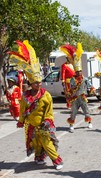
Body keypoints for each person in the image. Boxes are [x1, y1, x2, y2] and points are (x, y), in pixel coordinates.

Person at [9, 40, 63, 170]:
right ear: (31, 83)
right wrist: (21, 121)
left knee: (47, 142)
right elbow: (23, 110)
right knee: (36, 143)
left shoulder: (46, 95)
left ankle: (57, 161)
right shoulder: (25, 96)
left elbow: (49, 111)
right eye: (35, 83)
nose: (38, 84)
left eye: (39, 82)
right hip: (31, 125)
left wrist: (48, 121)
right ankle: (39, 157)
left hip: (44, 124)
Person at [66, 43, 94, 133]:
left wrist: (92, 89)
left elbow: (89, 85)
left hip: (82, 97)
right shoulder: (72, 80)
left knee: (86, 110)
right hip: (75, 98)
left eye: (81, 71)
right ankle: (71, 125)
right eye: (78, 72)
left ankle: (89, 122)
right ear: (76, 72)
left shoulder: (84, 79)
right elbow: (71, 88)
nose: (80, 73)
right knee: (73, 112)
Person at [59, 44, 76, 109]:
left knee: (74, 93)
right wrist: (63, 81)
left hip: (74, 80)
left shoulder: (72, 65)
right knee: (68, 93)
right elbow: (63, 73)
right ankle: (69, 104)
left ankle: (74, 103)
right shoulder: (64, 65)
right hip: (67, 81)